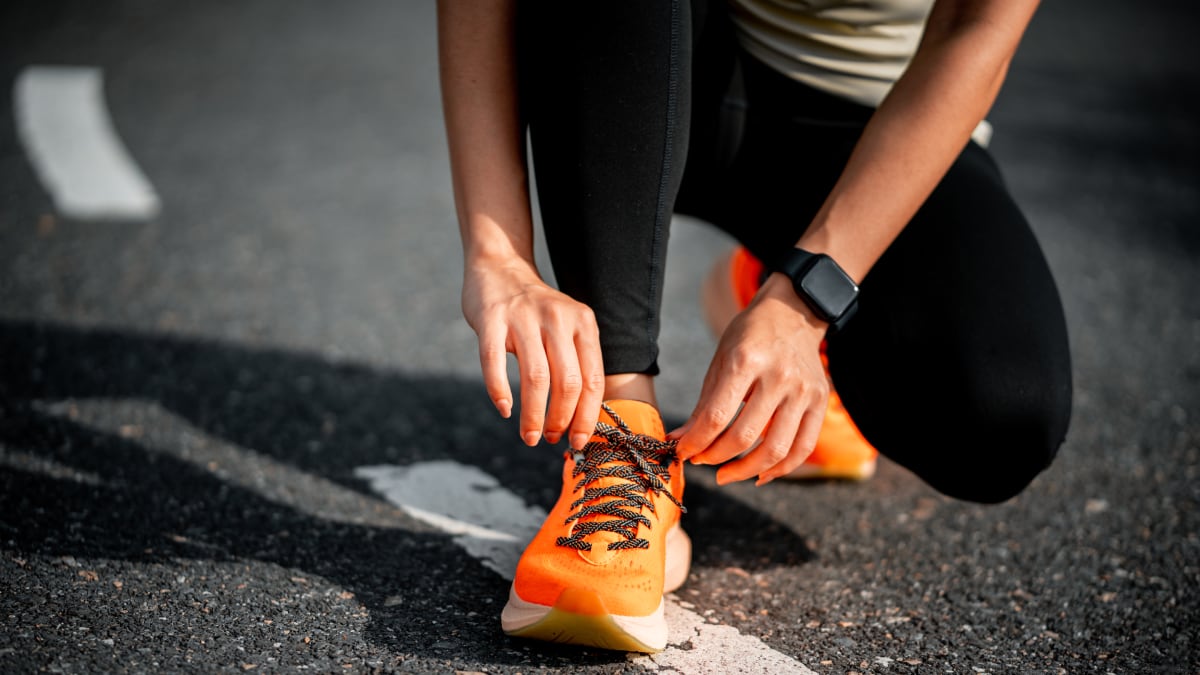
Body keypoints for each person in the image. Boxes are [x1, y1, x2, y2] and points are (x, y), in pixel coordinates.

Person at [437, 0, 1072, 653]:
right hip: (653, 69)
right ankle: (624, 439)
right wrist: (498, 255)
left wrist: (804, 302)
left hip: (876, 128)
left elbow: (975, 30)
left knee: (1000, 417)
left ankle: (768, 293)